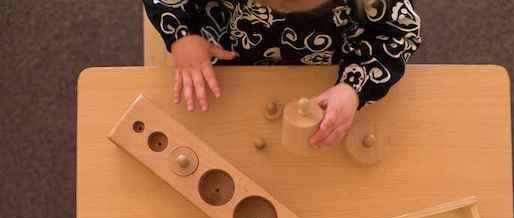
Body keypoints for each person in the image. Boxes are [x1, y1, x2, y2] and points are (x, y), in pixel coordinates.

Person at [143, 0, 421, 146]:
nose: (279, 10)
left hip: (327, 72)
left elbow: (398, 35)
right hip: (232, 53)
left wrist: (353, 88)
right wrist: (182, 35)